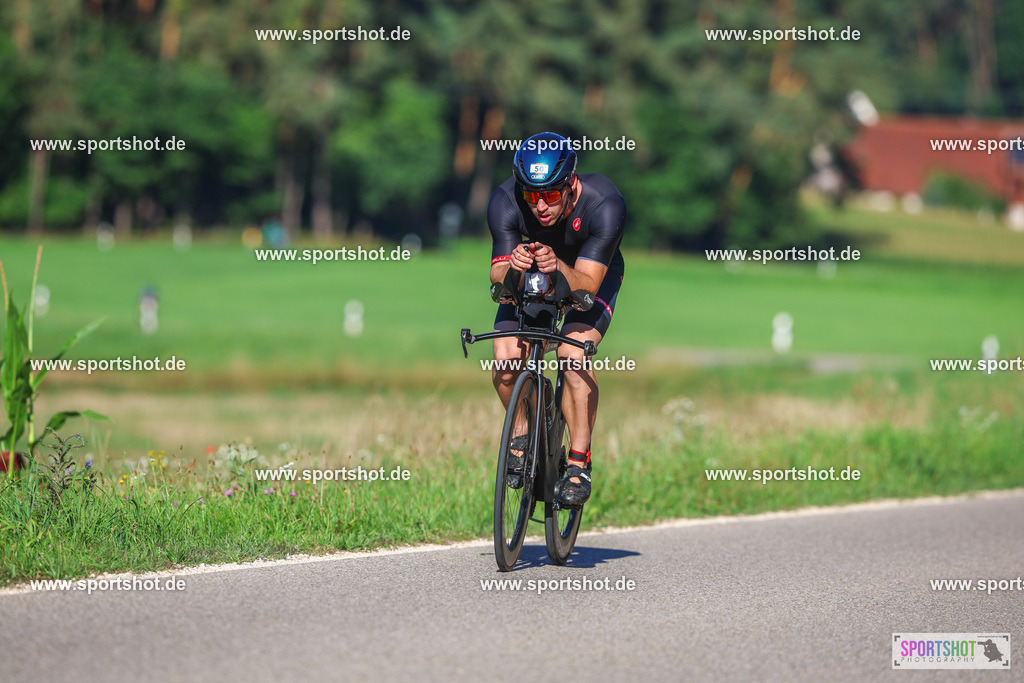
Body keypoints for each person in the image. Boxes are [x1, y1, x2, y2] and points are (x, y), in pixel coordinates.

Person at [488, 131, 626, 507]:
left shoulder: (604, 204)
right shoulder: (504, 201)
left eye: (550, 194)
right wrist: (511, 270)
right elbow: (498, 282)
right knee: (504, 358)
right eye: (532, 195)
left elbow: (585, 287)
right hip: (532, 276)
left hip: (589, 274)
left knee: (572, 355)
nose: (540, 206)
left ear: (571, 184)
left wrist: (558, 267)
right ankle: (522, 434)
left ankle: (579, 463)